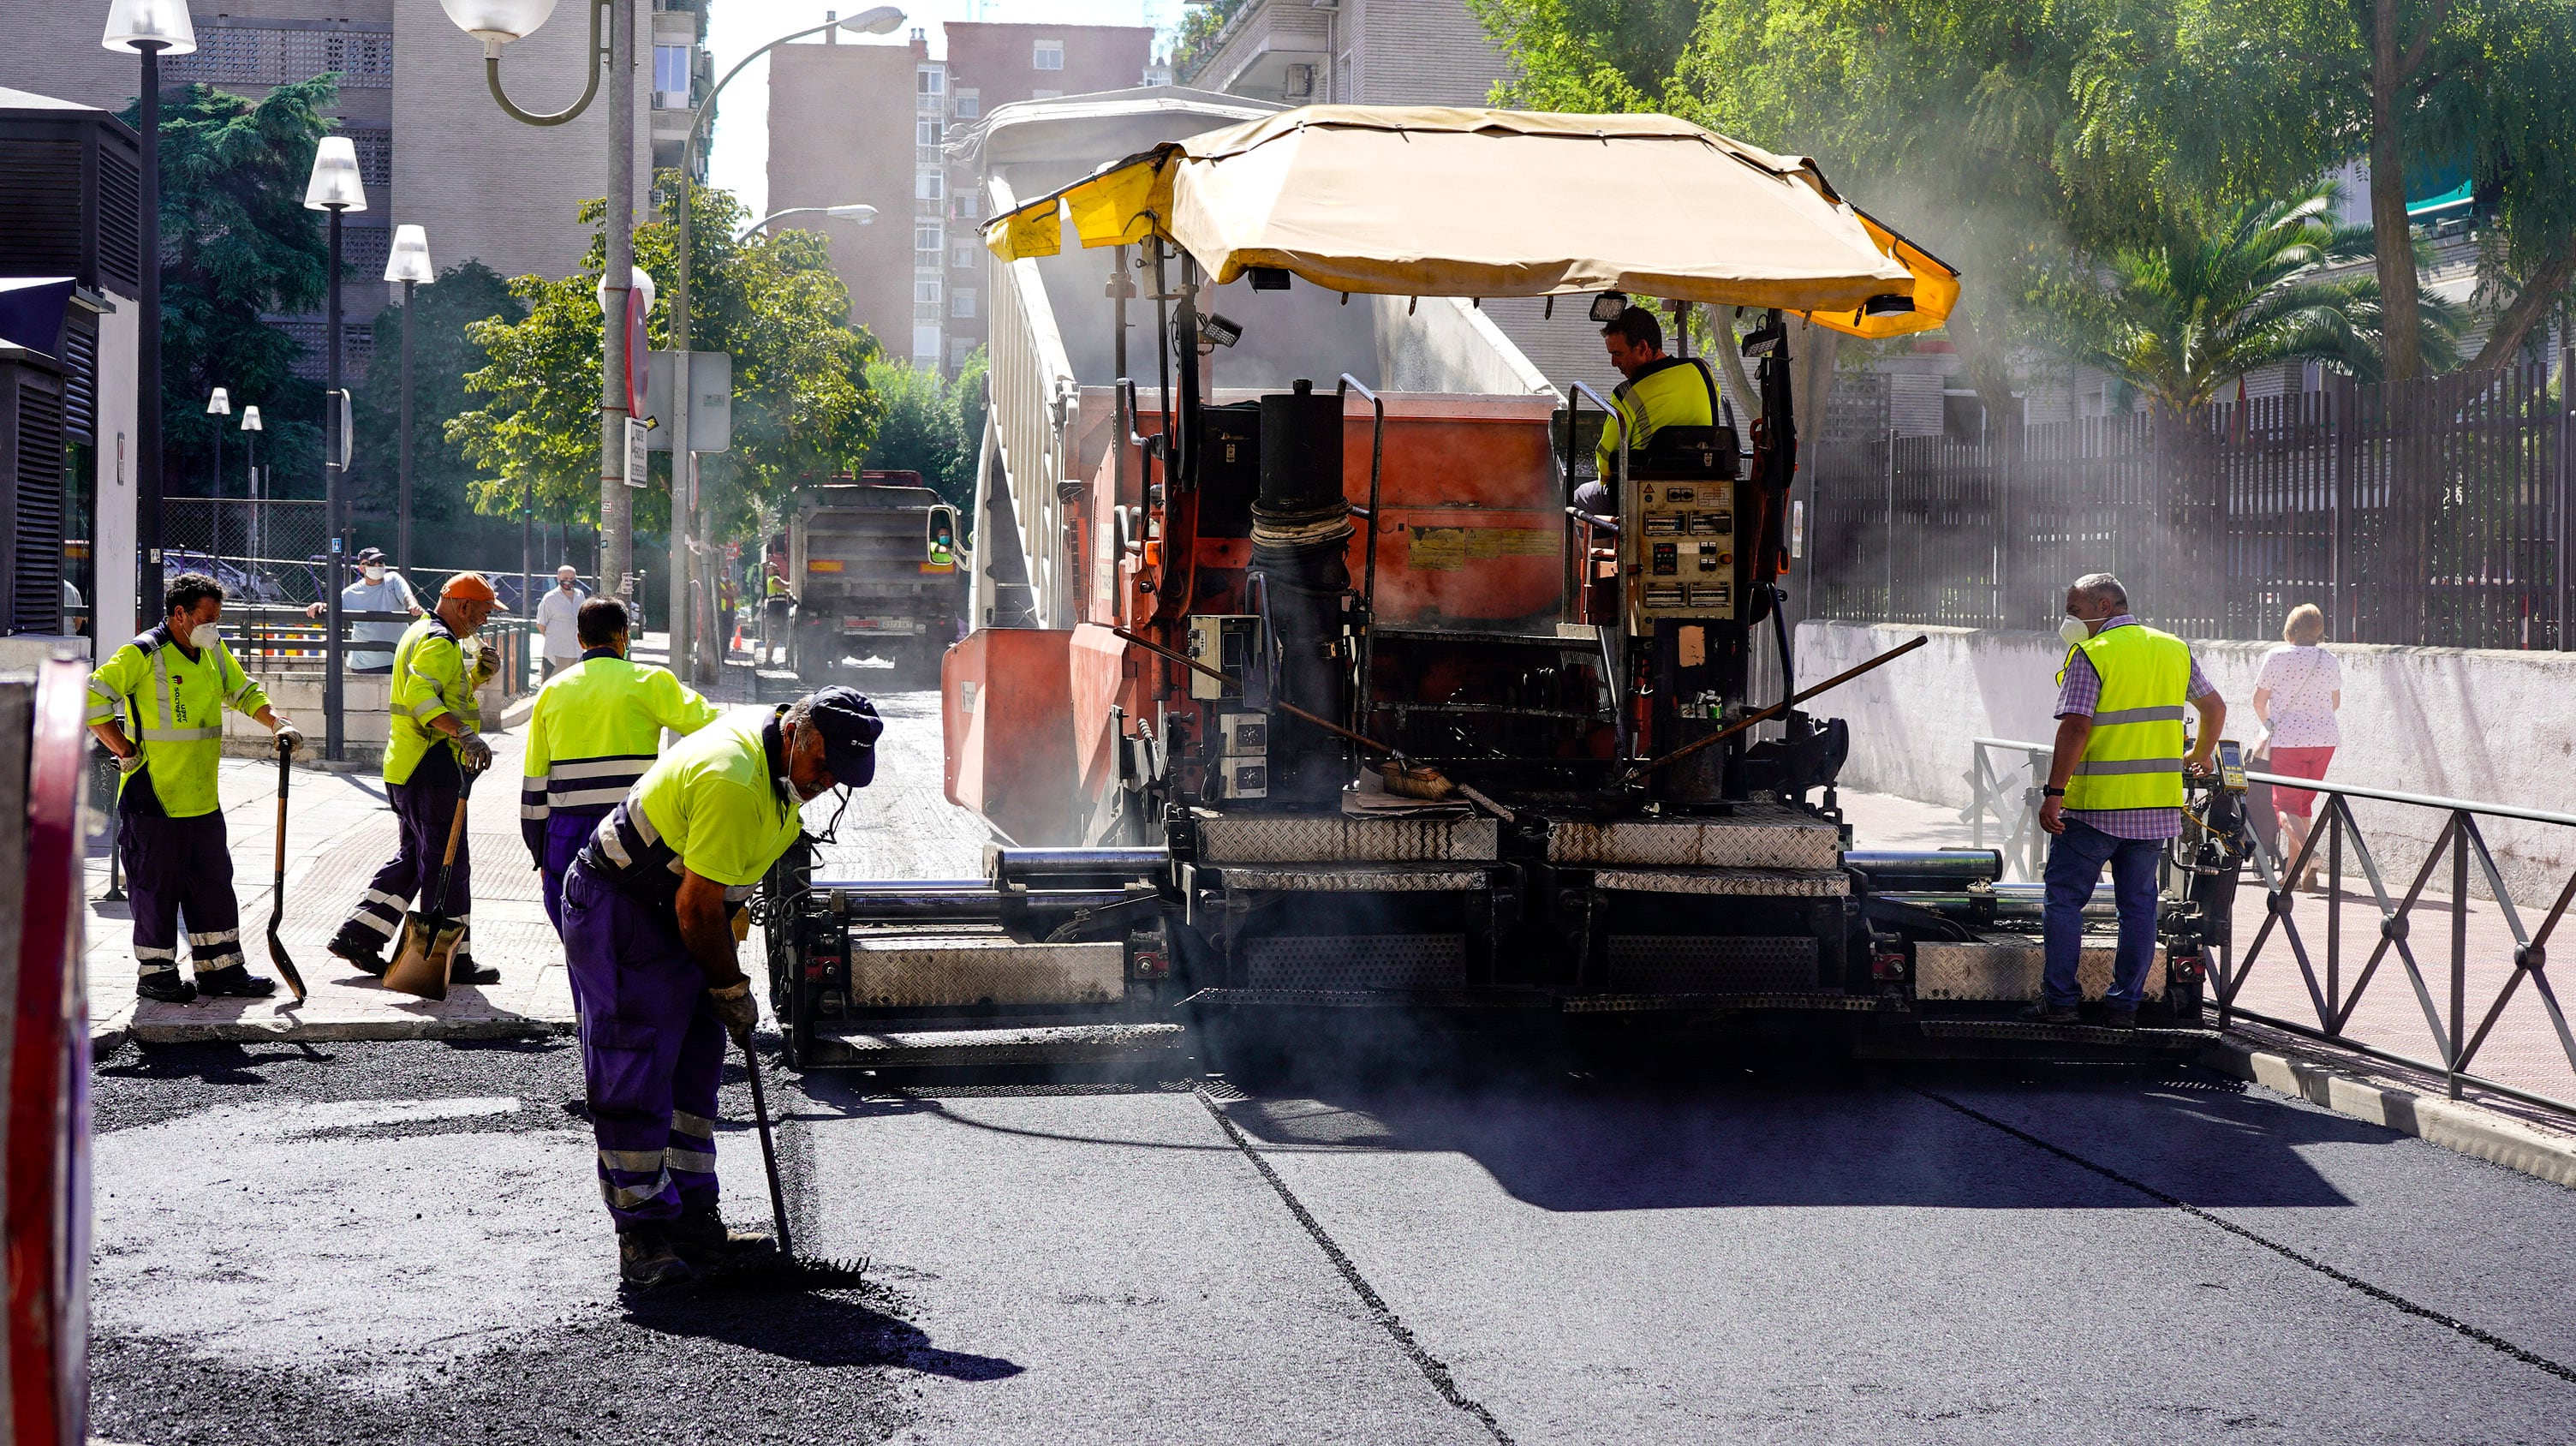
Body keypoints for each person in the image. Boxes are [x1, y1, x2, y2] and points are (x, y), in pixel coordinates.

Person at [559, 685, 882, 1288]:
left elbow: (718, 898)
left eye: (840, 775)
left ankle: (692, 1223)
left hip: (676, 911)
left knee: (694, 1070)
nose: (827, 783)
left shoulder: (779, 769)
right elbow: (698, 909)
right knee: (635, 1071)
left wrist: (725, 970)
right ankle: (643, 1235)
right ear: (796, 735)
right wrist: (731, 989)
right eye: (823, 766)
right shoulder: (735, 779)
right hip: (625, 910)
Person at [86, 572, 304, 1003]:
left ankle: (220, 971)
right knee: (156, 888)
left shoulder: (211, 650)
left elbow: (243, 691)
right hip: (154, 795)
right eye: (208, 617)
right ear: (180, 613)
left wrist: (277, 722)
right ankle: (156, 975)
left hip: (202, 797)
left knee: (213, 884)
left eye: (218, 618)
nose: (214, 626)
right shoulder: (144, 653)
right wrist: (124, 748)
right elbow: (93, 698)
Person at [2029, 572, 2226, 1027]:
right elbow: (2215, 708)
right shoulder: (2174, 648)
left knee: (2063, 901)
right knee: (2137, 911)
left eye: (2073, 610)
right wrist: (2199, 755)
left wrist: (2054, 794)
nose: (2067, 620)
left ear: (2103, 606)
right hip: (2155, 809)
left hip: (2094, 808)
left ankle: (2060, 1003)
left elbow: (2076, 727)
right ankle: (2124, 1007)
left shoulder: (2093, 653)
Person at [325, 571, 504, 985]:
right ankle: (447, 958)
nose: (485, 621)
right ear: (462, 606)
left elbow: (438, 688)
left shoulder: (423, 631)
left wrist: (477, 675)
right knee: (448, 864)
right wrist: (464, 734)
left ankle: (359, 935)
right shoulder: (440, 641)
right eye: (482, 612)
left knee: (416, 858)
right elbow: (421, 698)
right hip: (431, 766)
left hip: (407, 766)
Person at [522, 596, 724, 932]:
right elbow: (716, 726)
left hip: (566, 834)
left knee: (580, 942)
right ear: (624, 635)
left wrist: (540, 850)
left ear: (579, 638)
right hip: (633, 832)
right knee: (636, 940)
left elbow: (534, 781)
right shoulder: (650, 682)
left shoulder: (551, 691)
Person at [1571, 304, 1714, 520]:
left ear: (1643, 347)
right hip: (1703, 486)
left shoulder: (1627, 394)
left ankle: (1611, 551)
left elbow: (1605, 458)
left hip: (1644, 495)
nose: (1613, 363)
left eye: (1618, 353)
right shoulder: (1702, 371)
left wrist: (1605, 477)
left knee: (1579, 497)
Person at [2253, 603, 2343, 892]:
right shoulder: (2329, 659)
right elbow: (2335, 703)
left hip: (2289, 741)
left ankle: (2308, 854)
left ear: (2290, 630)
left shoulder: (2277, 657)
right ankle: (2295, 873)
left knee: (2284, 806)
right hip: (2325, 740)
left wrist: (2270, 725)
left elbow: (2258, 701)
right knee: (2303, 805)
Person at [303, 547, 423, 672]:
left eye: (380, 561)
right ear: (361, 568)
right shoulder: (349, 593)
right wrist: (321, 605)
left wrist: (413, 606)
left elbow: (407, 596)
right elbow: (333, 607)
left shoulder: (393, 579)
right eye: (371, 563)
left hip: (399, 661)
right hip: (365, 665)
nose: (377, 565)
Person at [534, 566, 588, 679]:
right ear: (558, 578)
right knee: (551, 685)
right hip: (556, 653)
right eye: (565, 578)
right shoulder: (550, 598)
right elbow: (541, 624)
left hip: (577, 652)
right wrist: (554, 638)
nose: (568, 580)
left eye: (571, 578)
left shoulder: (580, 595)